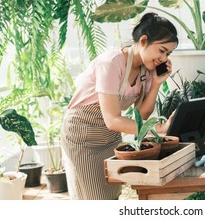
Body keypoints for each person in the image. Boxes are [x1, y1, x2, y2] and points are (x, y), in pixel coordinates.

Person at [61, 12, 178, 200]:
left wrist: (156, 83)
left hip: (109, 137)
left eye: (168, 54)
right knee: (93, 199)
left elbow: (142, 114)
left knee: (111, 194)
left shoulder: (146, 70)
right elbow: (113, 119)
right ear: (143, 41)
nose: (164, 58)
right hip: (82, 136)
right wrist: (158, 129)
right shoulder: (111, 63)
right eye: (162, 50)